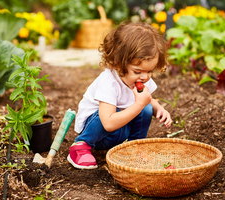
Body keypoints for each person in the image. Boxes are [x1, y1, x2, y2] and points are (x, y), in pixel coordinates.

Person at [67, 22, 172, 169]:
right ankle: (80, 146)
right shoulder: (108, 83)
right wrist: (139, 104)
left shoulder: (140, 78)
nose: (145, 77)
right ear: (117, 64)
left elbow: (146, 99)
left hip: (119, 129)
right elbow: (108, 123)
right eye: (138, 72)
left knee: (147, 108)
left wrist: (158, 108)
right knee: (123, 109)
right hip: (98, 134)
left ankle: (134, 148)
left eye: (150, 71)